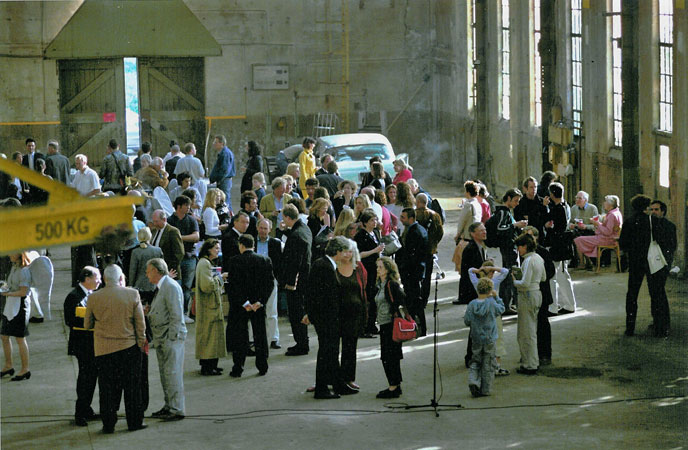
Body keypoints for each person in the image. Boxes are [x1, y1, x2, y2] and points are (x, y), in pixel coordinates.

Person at [84, 265, 146, 433]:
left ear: (104, 279)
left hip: (103, 350)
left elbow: (87, 324)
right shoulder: (132, 294)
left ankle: (108, 424)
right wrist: (141, 342)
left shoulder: (93, 298)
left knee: (107, 389)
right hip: (129, 347)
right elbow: (140, 323)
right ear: (121, 279)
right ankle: (134, 422)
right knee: (132, 387)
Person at [304, 237, 355, 398]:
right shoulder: (324, 266)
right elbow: (317, 295)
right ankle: (322, 388)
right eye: (345, 251)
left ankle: (337, 384)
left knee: (331, 352)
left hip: (327, 317)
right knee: (327, 352)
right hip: (326, 318)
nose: (347, 254)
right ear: (338, 251)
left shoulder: (325, 264)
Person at [619, 195, 673, 337]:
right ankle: (660, 329)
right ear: (645, 207)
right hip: (651, 261)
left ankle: (630, 328)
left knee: (632, 294)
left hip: (635, 262)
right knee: (656, 293)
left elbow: (623, 243)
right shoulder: (653, 221)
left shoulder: (629, 222)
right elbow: (661, 239)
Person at [145, 259, 187, 422]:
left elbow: (176, 315)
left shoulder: (169, 287)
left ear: (156, 271)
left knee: (172, 373)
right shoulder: (162, 287)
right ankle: (169, 405)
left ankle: (176, 408)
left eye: (148, 271)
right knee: (166, 374)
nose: (147, 275)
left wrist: (170, 339)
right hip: (162, 338)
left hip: (170, 339)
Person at [226, 235, 274, 377]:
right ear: (253, 245)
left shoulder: (234, 261)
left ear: (241, 245)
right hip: (258, 305)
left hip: (240, 306)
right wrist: (260, 301)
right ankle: (262, 366)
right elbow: (269, 283)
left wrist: (244, 302)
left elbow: (233, 286)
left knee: (240, 335)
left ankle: (238, 367)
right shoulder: (265, 260)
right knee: (260, 334)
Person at [64, 266, 102, 425]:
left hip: (93, 344)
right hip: (82, 345)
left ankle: (87, 409)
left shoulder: (92, 294)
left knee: (91, 377)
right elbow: (70, 320)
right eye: (97, 277)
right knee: (85, 378)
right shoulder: (73, 297)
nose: (99, 281)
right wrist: (91, 321)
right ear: (87, 279)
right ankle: (80, 413)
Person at [486, 189, 527, 312]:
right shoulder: (504, 213)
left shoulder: (506, 212)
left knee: (509, 276)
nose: (517, 203)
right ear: (508, 199)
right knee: (510, 276)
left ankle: (508, 304)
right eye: (515, 200)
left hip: (509, 249)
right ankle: (508, 304)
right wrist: (516, 225)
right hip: (508, 249)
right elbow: (501, 229)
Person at [279, 204, 312, 356]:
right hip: (305, 280)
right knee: (300, 312)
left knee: (296, 313)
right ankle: (302, 342)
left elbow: (295, 262)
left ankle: (301, 344)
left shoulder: (296, 236)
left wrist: (291, 282)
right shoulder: (304, 229)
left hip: (296, 282)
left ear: (286, 217)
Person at [464, 277, 505, 397]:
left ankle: (473, 380)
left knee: (475, 361)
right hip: (489, 338)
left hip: (476, 337)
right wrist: (497, 297)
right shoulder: (491, 303)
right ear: (490, 290)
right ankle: (485, 389)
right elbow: (501, 309)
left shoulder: (472, 304)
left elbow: (467, 321)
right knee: (488, 363)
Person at [336, 237, 367, 392]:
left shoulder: (358, 267)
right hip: (336, 314)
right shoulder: (333, 266)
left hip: (354, 313)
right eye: (344, 251)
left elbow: (364, 286)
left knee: (350, 347)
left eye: (350, 251)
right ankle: (331, 378)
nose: (347, 254)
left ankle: (348, 378)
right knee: (332, 348)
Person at [512, 234, 546, 375]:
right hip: (537, 293)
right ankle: (532, 361)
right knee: (531, 330)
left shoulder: (528, 261)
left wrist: (514, 280)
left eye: (519, 247)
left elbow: (524, 284)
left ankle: (530, 364)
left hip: (527, 295)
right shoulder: (539, 258)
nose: (518, 250)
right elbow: (543, 277)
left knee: (526, 332)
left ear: (525, 246)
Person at [521, 226, 556, 365]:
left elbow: (550, 272)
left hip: (541, 292)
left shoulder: (542, 252)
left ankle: (545, 354)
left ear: (536, 237)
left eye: (530, 237)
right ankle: (531, 354)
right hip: (528, 293)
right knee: (528, 326)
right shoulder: (523, 253)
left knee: (542, 325)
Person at [467, 263, 510, 375]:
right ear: (491, 273)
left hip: (480, 319)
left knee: (482, 344)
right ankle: (496, 366)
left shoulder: (477, 283)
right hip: (494, 315)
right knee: (498, 341)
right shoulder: (494, 283)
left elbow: (470, 270)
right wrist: (492, 268)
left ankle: (482, 367)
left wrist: (478, 269)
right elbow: (505, 271)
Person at [374, 256, 406, 398]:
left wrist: (393, 311)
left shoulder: (391, 284)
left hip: (390, 324)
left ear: (387, 269)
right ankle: (395, 385)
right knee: (390, 356)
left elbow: (402, 298)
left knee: (389, 356)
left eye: (380, 267)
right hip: (384, 323)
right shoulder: (380, 284)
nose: (378, 269)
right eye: (377, 267)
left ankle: (393, 386)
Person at [194, 239, 227, 375]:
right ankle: (207, 366)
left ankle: (212, 364)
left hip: (210, 305)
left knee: (212, 337)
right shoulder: (204, 264)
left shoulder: (206, 263)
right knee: (209, 337)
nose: (218, 250)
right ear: (208, 249)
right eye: (215, 248)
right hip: (208, 306)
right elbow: (207, 286)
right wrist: (220, 278)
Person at [542, 182, 576, 315]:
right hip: (563, 245)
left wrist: (545, 208)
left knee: (552, 276)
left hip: (557, 246)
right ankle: (569, 304)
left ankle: (553, 306)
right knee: (563, 275)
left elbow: (547, 220)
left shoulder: (557, 209)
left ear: (551, 194)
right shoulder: (565, 206)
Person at [0, 252, 33, 381]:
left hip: (20, 306)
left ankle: (25, 369)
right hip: (11, 304)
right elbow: (11, 286)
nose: (9, 254)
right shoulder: (14, 267)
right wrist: (4, 288)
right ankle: (8, 365)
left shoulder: (24, 271)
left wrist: (7, 294)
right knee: (4, 336)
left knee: (20, 338)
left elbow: (23, 292)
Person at [397, 208, 429, 336]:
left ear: (411, 218)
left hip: (413, 272)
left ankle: (418, 328)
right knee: (413, 301)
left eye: (403, 217)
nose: (401, 219)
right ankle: (415, 327)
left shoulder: (415, 232)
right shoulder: (416, 230)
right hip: (415, 271)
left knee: (414, 301)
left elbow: (411, 256)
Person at [167, 196, 200, 322]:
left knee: (187, 286)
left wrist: (179, 237)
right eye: (187, 205)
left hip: (189, 257)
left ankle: (184, 312)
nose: (189, 207)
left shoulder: (191, 220)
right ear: (179, 206)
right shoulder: (170, 220)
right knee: (175, 286)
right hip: (175, 259)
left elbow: (196, 237)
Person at [647, 200, 677, 337]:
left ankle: (663, 325)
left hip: (662, 263)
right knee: (654, 293)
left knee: (659, 293)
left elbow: (671, 246)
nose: (653, 212)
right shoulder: (648, 225)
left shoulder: (669, 226)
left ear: (662, 211)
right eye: (651, 209)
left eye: (656, 209)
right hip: (651, 263)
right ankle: (657, 321)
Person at [354, 210, 384, 337]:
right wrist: (374, 250)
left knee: (374, 297)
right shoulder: (361, 235)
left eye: (375, 220)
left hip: (375, 268)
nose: (375, 222)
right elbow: (359, 254)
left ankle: (372, 324)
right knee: (368, 297)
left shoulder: (375, 233)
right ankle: (366, 326)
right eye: (372, 220)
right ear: (365, 223)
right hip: (366, 268)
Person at [573, 195, 623, 269]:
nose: (604, 203)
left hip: (607, 239)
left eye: (605, 202)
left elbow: (608, 231)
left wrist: (597, 224)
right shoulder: (616, 212)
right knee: (583, 238)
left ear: (610, 204)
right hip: (610, 238)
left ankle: (583, 263)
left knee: (578, 240)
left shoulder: (612, 215)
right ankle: (588, 262)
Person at [256, 218, 283, 349]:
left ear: (270, 230)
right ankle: (252, 339)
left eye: (265, 228)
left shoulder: (276, 243)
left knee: (272, 311)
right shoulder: (252, 242)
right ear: (257, 228)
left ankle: (274, 338)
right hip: (254, 280)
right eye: (261, 228)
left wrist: (276, 278)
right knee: (254, 310)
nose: (263, 231)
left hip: (270, 280)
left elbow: (280, 263)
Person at [415, 193, 444, 306]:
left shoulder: (414, 215)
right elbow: (440, 232)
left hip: (417, 251)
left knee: (416, 274)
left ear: (417, 202)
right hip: (430, 250)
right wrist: (434, 244)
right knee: (427, 276)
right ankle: (425, 299)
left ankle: (417, 296)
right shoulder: (435, 216)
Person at [452, 180, 483, 275]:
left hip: (467, 237)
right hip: (476, 236)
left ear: (468, 192)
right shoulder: (478, 204)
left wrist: (458, 234)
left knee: (464, 266)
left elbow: (462, 221)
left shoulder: (468, 205)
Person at [150, 209, 185, 282]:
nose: (154, 224)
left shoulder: (173, 231)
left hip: (171, 273)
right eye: (153, 221)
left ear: (164, 219)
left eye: (156, 221)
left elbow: (179, 253)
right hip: (156, 273)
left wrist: (168, 270)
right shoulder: (153, 231)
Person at [129, 227, 164, 298]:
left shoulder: (135, 252)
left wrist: (131, 286)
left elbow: (132, 271)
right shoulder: (158, 250)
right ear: (150, 236)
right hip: (154, 286)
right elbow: (162, 269)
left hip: (139, 285)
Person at [568, 190, 599, 267]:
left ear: (585, 200)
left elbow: (597, 225)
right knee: (574, 236)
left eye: (580, 198)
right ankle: (584, 261)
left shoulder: (592, 208)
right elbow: (570, 221)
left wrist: (586, 226)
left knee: (578, 238)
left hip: (589, 231)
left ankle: (583, 262)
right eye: (576, 198)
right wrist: (571, 225)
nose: (577, 200)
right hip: (577, 230)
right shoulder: (574, 208)